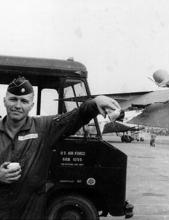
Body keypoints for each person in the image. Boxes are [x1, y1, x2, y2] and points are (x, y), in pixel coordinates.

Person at [0, 76, 121, 220]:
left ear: (31, 105)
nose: (18, 105)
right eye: (13, 99)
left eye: (24, 101)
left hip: (30, 213)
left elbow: (76, 116)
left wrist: (95, 102)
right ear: (4, 101)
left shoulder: (43, 128)